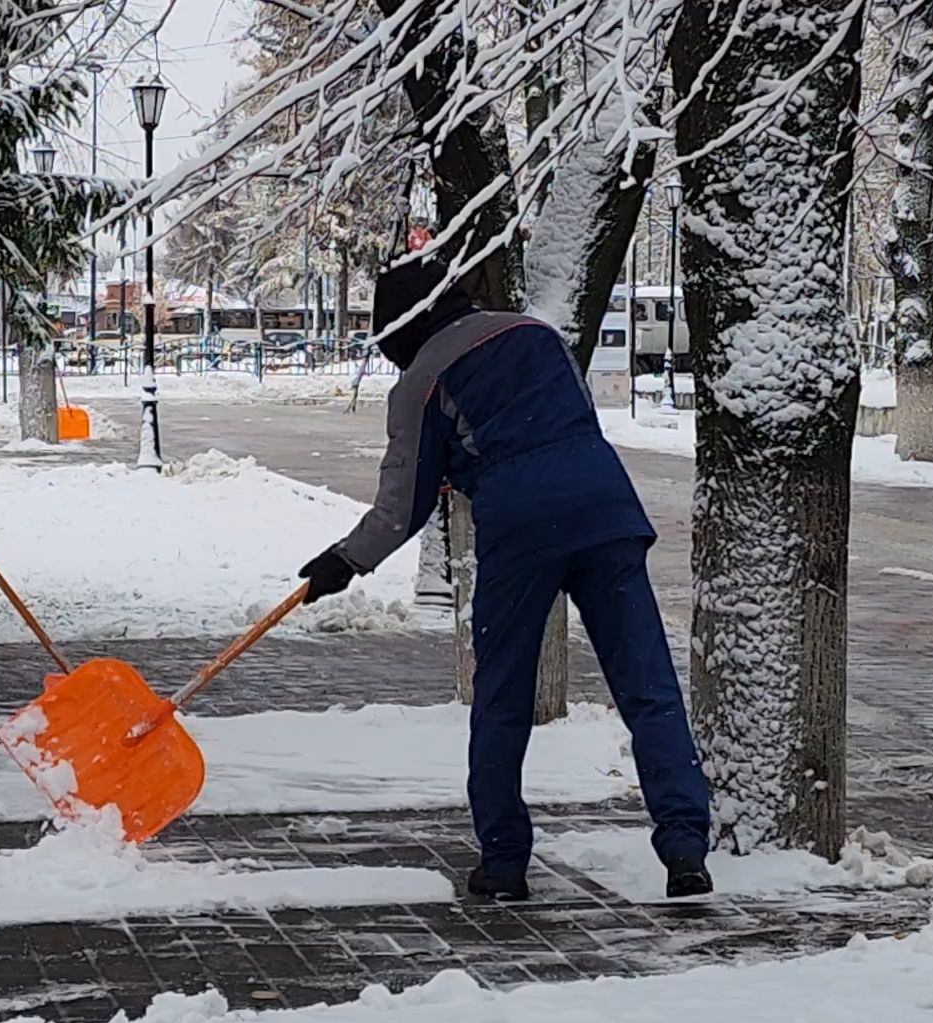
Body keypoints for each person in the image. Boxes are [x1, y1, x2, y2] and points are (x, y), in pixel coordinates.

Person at [297, 259, 714, 900]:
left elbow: (401, 505)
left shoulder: (421, 383)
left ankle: (504, 862)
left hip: (522, 529)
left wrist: (345, 560)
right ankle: (686, 849)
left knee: (502, 698)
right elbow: (568, 427)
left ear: (401, 329)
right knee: (648, 685)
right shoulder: (536, 332)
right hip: (606, 508)